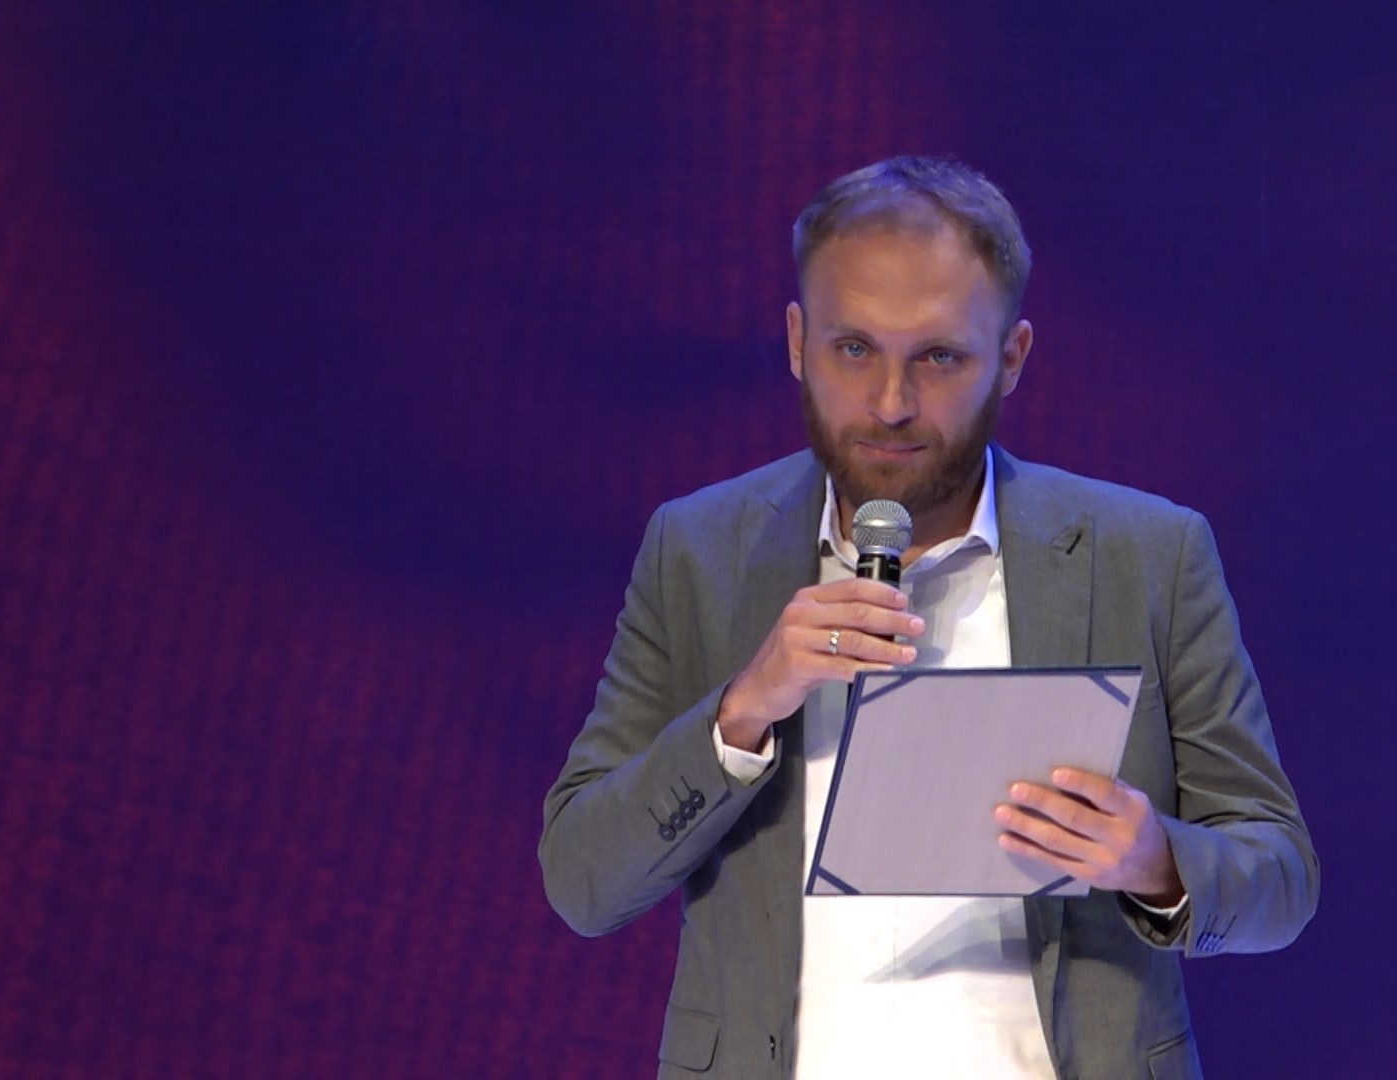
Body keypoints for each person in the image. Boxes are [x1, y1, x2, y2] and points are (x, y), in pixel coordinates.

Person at [539, 156, 1318, 1079]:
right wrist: (741, 713)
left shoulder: (1148, 556)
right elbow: (583, 882)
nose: (891, 404)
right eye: (854, 349)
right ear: (797, 341)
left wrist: (1155, 860)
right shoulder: (699, 553)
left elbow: (1281, 878)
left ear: (1012, 358)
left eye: (939, 357)